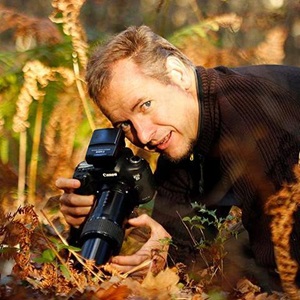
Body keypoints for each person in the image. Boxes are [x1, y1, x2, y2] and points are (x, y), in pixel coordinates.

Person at [55, 25, 300, 278]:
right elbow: (179, 253)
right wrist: (83, 226)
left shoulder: (250, 115)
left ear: (178, 74)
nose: (143, 136)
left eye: (145, 105)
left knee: (237, 259)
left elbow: (285, 267)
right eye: (124, 124)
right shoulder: (180, 141)